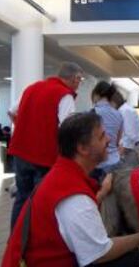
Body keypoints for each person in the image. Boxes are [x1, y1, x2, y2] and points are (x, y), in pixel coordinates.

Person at [1, 112, 139, 267]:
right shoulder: (73, 196)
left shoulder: (61, 176)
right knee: (128, 258)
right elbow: (98, 253)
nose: (109, 140)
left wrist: (102, 193)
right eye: (102, 136)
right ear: (82, 148)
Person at [8, 62, 84, 230]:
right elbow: (68, 128)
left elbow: (12, 112)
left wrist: (25, 130)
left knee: (22, 197)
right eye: (80, 79)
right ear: (74, 78)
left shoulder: (32, 88)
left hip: (20, 153)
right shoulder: (65, 95)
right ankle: (34, 242)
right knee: (40, 202)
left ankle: (15, 239)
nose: (79, 83)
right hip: (44, 158)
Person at [90, 81, 123, 202]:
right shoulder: (118, 114)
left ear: (96, 94)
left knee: (97, 200)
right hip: (115, 162)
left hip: (98, 164)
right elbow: (118, 140)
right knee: (112, 202)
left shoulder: (92, 113)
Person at [110, 90, 139, 155]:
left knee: (129, 165)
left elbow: (130, 133)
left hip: (129, 149)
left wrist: (123, 147)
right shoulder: (125, 109)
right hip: (129, 147)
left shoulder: (125, 111)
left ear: (114, 102)